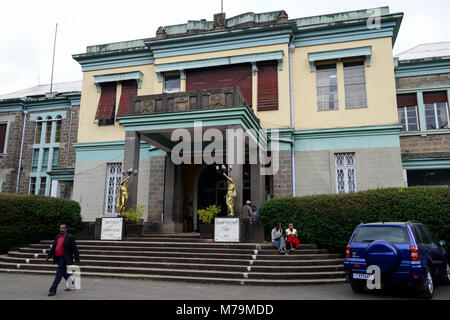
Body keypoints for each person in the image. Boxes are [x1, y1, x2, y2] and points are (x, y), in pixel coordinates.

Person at [46, 223, 80, 296]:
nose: (61, 229)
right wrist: (49, 256)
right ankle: (72, 285)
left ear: (66, 229)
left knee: (59, 273)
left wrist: (77, 260)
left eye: (63, 228)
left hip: (64, 258)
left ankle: (52, 290)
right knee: (63, 272)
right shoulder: (57, 237)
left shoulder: (70, 237)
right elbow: (53, 247)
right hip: (58, 258)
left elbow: (75, 249)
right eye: (60, 228)